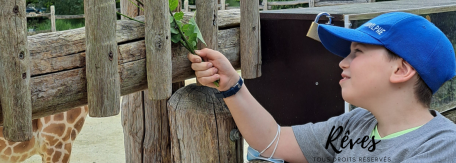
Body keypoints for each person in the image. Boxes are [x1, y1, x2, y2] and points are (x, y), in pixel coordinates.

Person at [188, 12, 456, 163]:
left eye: (358, 52)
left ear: (401, 70)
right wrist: (231, 84)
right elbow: (275, 141)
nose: (343, 63)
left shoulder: (441, 147)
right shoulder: (358, 123)